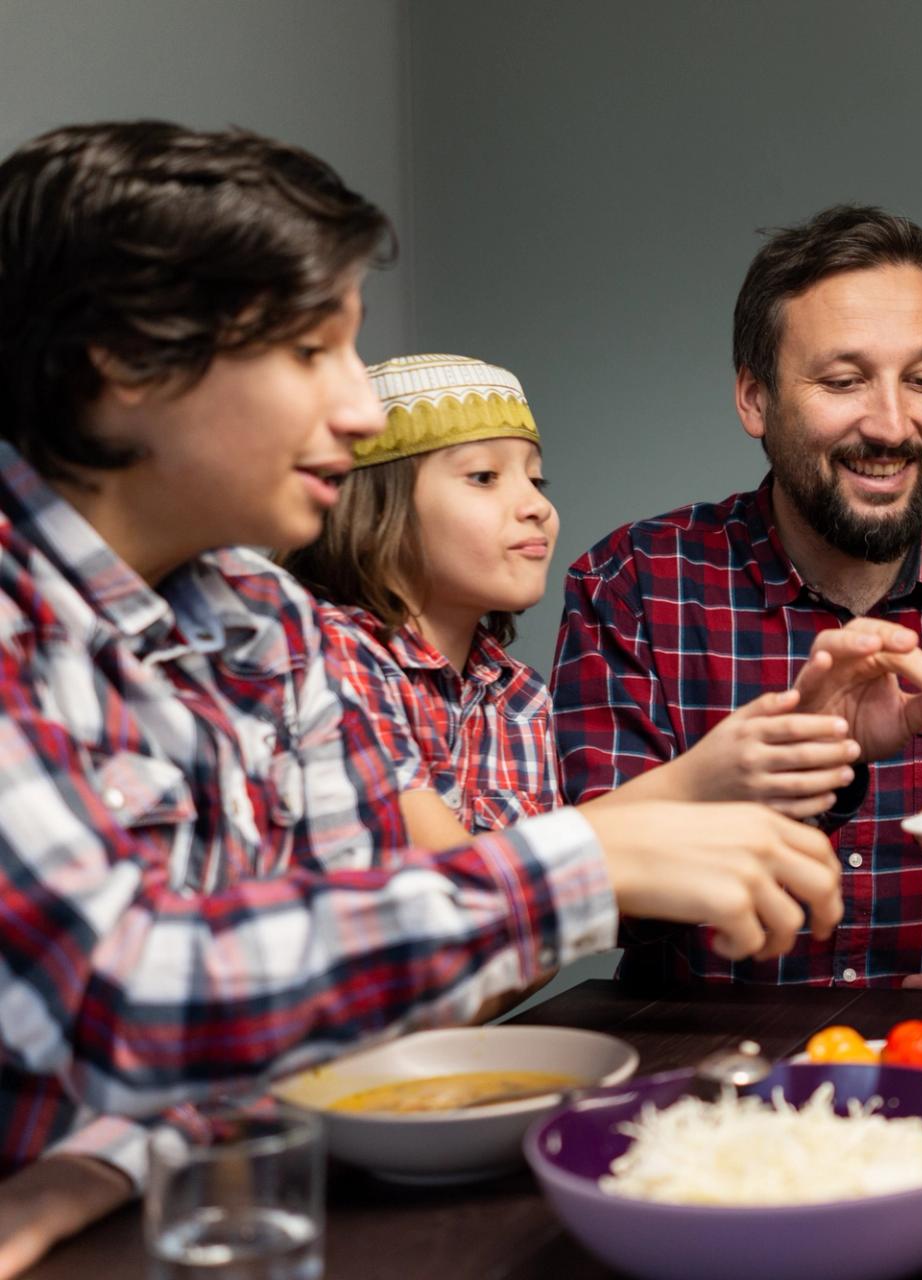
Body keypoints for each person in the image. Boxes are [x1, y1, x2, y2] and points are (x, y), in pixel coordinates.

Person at [0, 121, 839, 1273]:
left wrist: (110, 1154)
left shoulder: (261, 618)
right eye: (310, 352)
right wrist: (585, 862)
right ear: (124, 360)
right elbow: (130, 996)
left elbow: (341, 1000)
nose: (356, 412)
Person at [552, 205, 922, 1010]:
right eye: (843, 382)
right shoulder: (633, 583)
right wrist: (788, 777)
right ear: (754, 398)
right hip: (713, 1073)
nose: (890, 424)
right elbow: (596, 894)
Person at [284, 353, 563, 849]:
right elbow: (464, 883)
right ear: (377, 508)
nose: (537, 505)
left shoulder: (522, 697)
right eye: (484, 477)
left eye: (536, 479)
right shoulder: (327, 655)